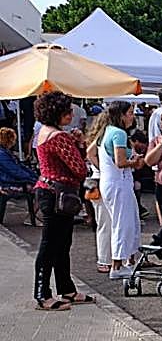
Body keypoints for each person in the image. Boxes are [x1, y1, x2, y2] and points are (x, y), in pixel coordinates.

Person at [31, 91, 90, 311]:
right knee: (52, 245)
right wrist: (80, 144)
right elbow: (80, 169)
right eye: (67, 111)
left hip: (48, 191)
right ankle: (42, 294)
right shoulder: (59, 137)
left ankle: (67, 289)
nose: (71, 113)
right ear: (58, 113)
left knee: (60, 244)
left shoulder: (43, 133)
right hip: (59, 194)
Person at [96, 102, 144, 280]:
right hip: (118, 183)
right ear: (121, 115)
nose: (133, 116)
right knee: (123, 224)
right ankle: (117, 265)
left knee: (128, 221)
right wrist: (136, 161)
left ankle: (127, 261)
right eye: (130, 113)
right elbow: (121, 162)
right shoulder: (118, 133)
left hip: (112, 182)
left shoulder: (107, 131)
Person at [83, 112, 111, 272]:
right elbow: (90, 153)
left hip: (97, 181)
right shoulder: (103, 136)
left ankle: (106, 258)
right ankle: (104, 259)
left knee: (104, 221)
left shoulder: (99, 136)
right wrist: (104, 169)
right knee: (104, 222)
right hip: (100, 182)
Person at [0, 127, 37, 226]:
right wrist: (34, 179)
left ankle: (35, 215)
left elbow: (20, 168)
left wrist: (35, 177)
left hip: (9, 180)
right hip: (8, 183)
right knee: (42, 189)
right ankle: (34, 216)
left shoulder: (5, 153)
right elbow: (15, 171)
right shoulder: (2, 154)